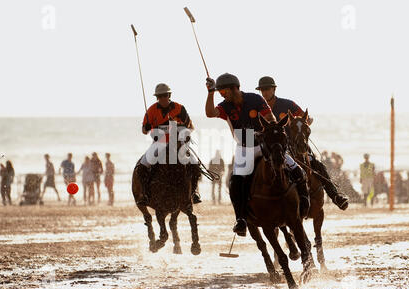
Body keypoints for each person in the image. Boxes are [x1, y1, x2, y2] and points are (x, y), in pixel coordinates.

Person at [205, 73, 310, 236]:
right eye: (220, 93)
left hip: (263, 142)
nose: (222, 95)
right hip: (244, 145)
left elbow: (270, 117)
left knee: (296, 169)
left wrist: (267, 129)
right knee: (236, 180)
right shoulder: (225, 105)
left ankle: (304, 205)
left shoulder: (255, 99)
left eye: (223, 92)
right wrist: (210, 93)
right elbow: (210, 113)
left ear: (234, 88)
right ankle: (241, 219)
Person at [256, 76, 348, 210]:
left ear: (274, 89)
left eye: (267, 89)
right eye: (262, 90)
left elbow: (305, 117)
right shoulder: (259, 108)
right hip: (273, 147)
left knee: (317, 165)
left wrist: (306, 123)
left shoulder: (287, 104)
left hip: (296, 144)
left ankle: (335, 196)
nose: (265, 92)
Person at [135, 83, 201, 206]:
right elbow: (144, 131)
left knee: (195, 164)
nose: (163, 98)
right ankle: (144, 194)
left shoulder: (179, 108)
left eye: (165, 95)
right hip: (159, 143)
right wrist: (147, 128)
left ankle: (194, 192)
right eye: (160, 96)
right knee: (142, 165)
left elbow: (191, 127)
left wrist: (185, 133)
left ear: (169, 95)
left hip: (178, 143)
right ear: (157, 98)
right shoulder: (151, 110)